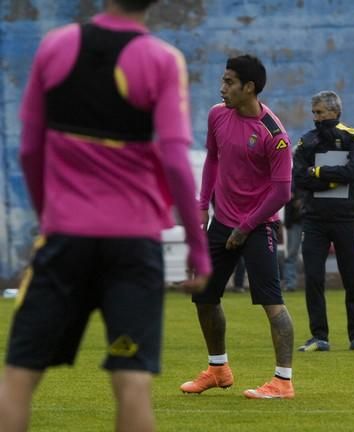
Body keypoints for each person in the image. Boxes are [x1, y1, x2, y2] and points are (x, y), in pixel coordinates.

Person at [0, 1, 211, 431]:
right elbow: (174, 159)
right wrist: (197, 245)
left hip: (65, 238)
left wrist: (50, 214)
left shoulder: (54, 46)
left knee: (19, 377)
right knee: (132, 384)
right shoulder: (162, 59)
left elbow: (29, 149)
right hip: (134, 245)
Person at [179, 54, 295, 399]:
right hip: (222, 222)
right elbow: (212, 160)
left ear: (249, 87)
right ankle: (218, 369)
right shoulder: (218, 115)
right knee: (204, 296)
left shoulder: (274, 135)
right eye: (223, 80)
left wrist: (247, 226)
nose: (222, 87)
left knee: (272, 303)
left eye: (229, 82)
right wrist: (202, 206)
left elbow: (282, 191)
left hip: (258, 226)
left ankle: (283, 381)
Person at [293, 90, 354, 352]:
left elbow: (353, 172)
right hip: (314, 220)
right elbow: (299, 179)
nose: (316, 118)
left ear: (335, 112)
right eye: (314, 113)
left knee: (353, 278)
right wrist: (331, 178)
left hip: (347, 218)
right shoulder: (306, 142)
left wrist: (317, 173)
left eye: (320, 113)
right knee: (314, 278)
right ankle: (319, 336)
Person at [282, 186, 303, 292]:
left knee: (292, 254)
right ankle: (290, 283)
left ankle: (290, 283)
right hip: (295, 222)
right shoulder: (294, 177)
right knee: (292, 254)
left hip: (304, 221)